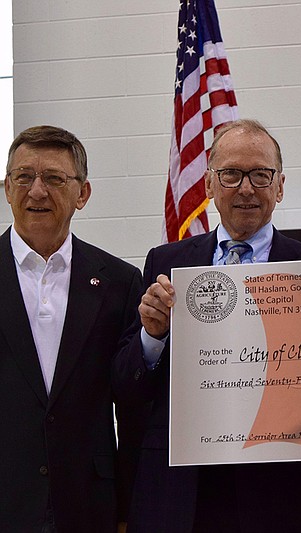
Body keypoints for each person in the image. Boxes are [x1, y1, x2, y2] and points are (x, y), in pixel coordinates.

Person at [113, 119, 301, 533]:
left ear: (280, 186)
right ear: (209, 184)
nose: (245, 188)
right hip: (182, 493)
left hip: (284, 491)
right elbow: (126, 386)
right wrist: (152, 336)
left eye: (260, 175)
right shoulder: (165, 263)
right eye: (230, 174)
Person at [0, 125, 144, 532]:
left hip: (89, 505)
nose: (37, 191)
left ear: (83, 193)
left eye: (55, 178)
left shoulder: (119, 281)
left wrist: (127, 509)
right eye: (24, 177)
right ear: (7, 188)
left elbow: (132, 409)